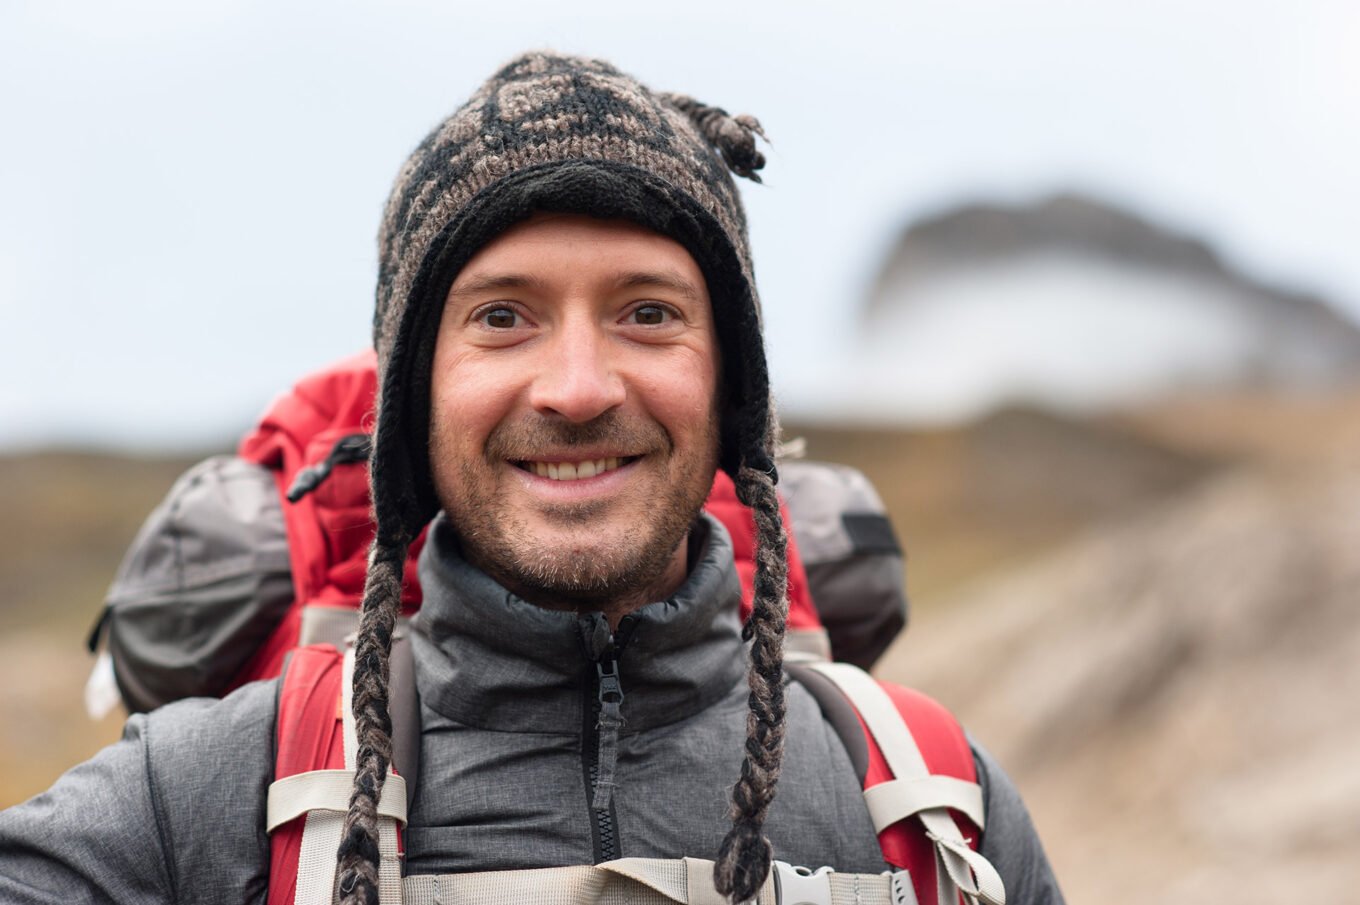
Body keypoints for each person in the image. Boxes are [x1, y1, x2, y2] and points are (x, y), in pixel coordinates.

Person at [0, 51, 1064, 905]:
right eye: (502, 317)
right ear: (413, 398)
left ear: (731, 384)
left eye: (647, 312)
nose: (576, 387)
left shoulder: (939, 810)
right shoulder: (197, 799)